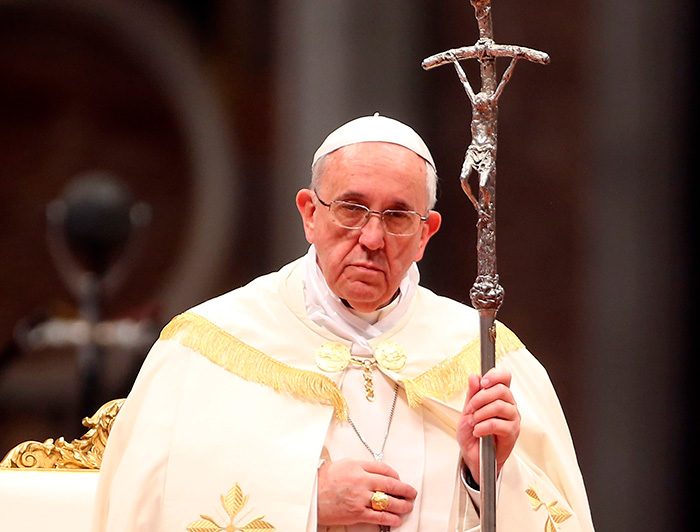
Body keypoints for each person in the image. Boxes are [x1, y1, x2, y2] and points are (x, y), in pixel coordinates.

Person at [91, 114, 595, 532]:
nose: (372, 238)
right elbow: (149, 506)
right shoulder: (206, 345)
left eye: (398, 217)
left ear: (426, 233)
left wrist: (484, 476)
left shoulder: (485, 357)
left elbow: (558, 514)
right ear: (310, 213)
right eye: (351, 209)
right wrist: (306, 502)